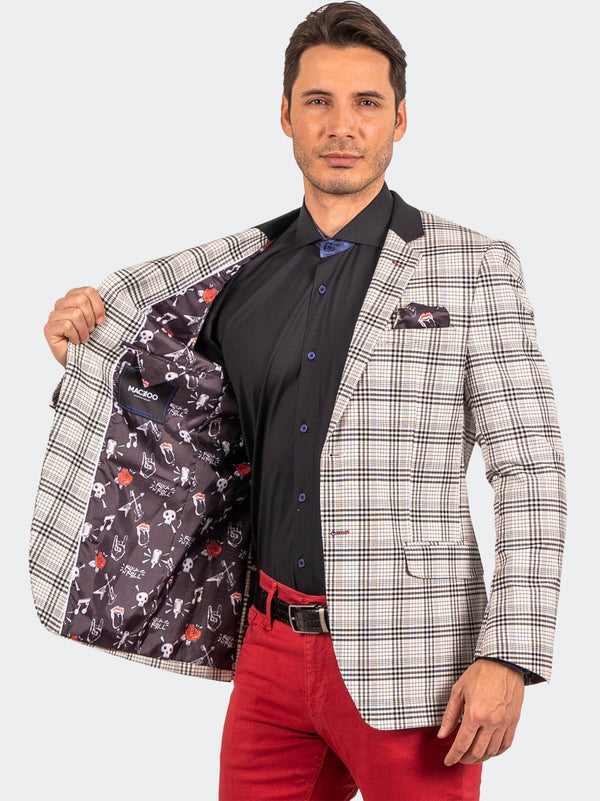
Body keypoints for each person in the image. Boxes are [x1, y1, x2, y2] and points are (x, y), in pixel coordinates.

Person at [33, 3, 566, 800]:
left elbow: (531, 470)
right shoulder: (239, 279)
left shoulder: (473, 267)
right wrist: (90, 345)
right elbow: (176, 433)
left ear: (400, 119)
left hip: (416, 663)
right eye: (319, 101)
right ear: (286, 114)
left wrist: (510, 652)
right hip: (270, 652)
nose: (341, 126)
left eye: (366, 102)